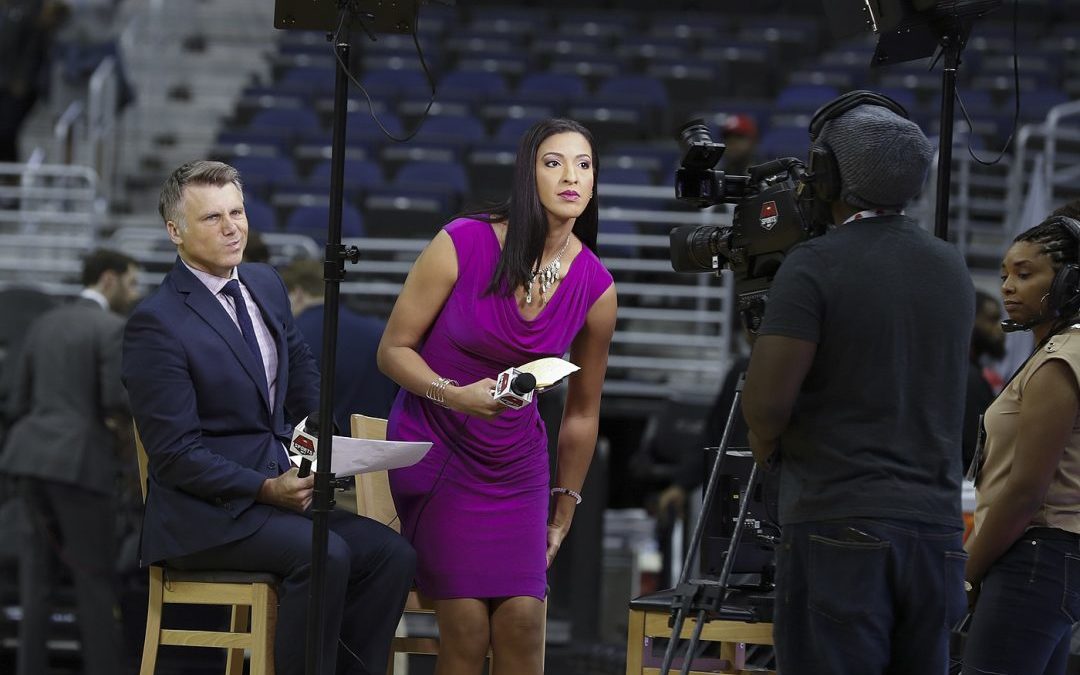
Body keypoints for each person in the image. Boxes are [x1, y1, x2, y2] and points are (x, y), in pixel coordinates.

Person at [121, 160, 415, 675]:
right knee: (325, 555)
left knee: (391, 555)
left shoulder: (265, 283)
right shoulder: (156, 323)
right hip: (204, 515)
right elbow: (174, 456)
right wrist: (265, 489)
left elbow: (304, 381)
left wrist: (325, 448)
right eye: (213, 218)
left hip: (277, 498)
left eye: (237, 212)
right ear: (175, 231)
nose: (232, 227)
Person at [741, 91, 974, 674]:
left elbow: (766, 406)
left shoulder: (816, 262)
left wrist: (769, 455)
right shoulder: (951, 266)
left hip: (839, 522)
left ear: (826, 174)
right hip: (938, 534)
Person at [377, 117, 617, 675]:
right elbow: (392, 351)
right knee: (466, 627)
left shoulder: (596, 287)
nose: (571, 177)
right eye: (553, 162)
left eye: (584, 165)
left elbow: (583, 411)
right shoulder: (462, 241)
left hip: (516, 466)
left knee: (524, 624)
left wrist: (565, 509)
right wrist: (455, 395)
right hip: (436, 450)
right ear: (527, 173)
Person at [0, 247, 140, 675]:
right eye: (132, 283)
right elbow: (115, 399)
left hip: (27, 460)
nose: (136, 294)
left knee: (35, 586)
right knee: (93, 581)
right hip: (79, 464)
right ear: (109, 280)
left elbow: (16, 398)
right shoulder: (111, 327)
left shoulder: (43, 322)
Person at [961, 216, 1080, 675]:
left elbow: (1026, 490)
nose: (1009, 286)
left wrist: (967, 576)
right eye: (1006, 274)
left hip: (1035, 557)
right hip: (1049, 559)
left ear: (1070, 281)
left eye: (1026, 274)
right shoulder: (1060, 353)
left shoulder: (1059, 362)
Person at [281, 257, 398, 428]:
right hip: (371, 446)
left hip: (308, 449)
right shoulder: (380, 334)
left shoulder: (289, 338)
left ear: (297, 293)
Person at [963, 289, 1006, 473]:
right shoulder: (969, 378)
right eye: (992, 320)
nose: (1000, 328)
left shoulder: (974, 372)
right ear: (969, 320)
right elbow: (976, 450)